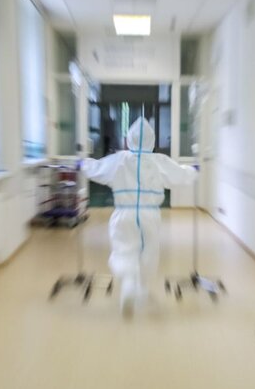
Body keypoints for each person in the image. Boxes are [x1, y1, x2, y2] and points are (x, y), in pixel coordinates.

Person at [82, 117, 197, 317]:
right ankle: (141, 288)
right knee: (149, 252)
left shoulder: (119, 159)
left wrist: (81, 164)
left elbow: (96, 168)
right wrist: (193, 171)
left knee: (123, 249)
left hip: (124, 214)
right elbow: (179, 174)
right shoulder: (158, 161)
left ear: (129, 140)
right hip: (150, 215)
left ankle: (128, 283)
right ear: (151, 140)